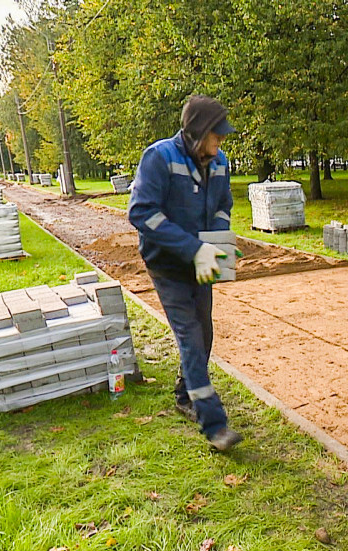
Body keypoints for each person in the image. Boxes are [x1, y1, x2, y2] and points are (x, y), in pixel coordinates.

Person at [128, 94, 243, 452]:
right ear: (196, 133)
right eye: (216, 135)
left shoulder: (219, 162)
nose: (220, 142)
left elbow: (224, 204)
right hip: (166, 264)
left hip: (203, 261)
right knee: (191, 337)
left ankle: (183, 392)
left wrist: (217, 243)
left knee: (204, 332)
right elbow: (142, 214)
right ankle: (214, 425)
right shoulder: (159, 158)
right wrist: (194, 248)